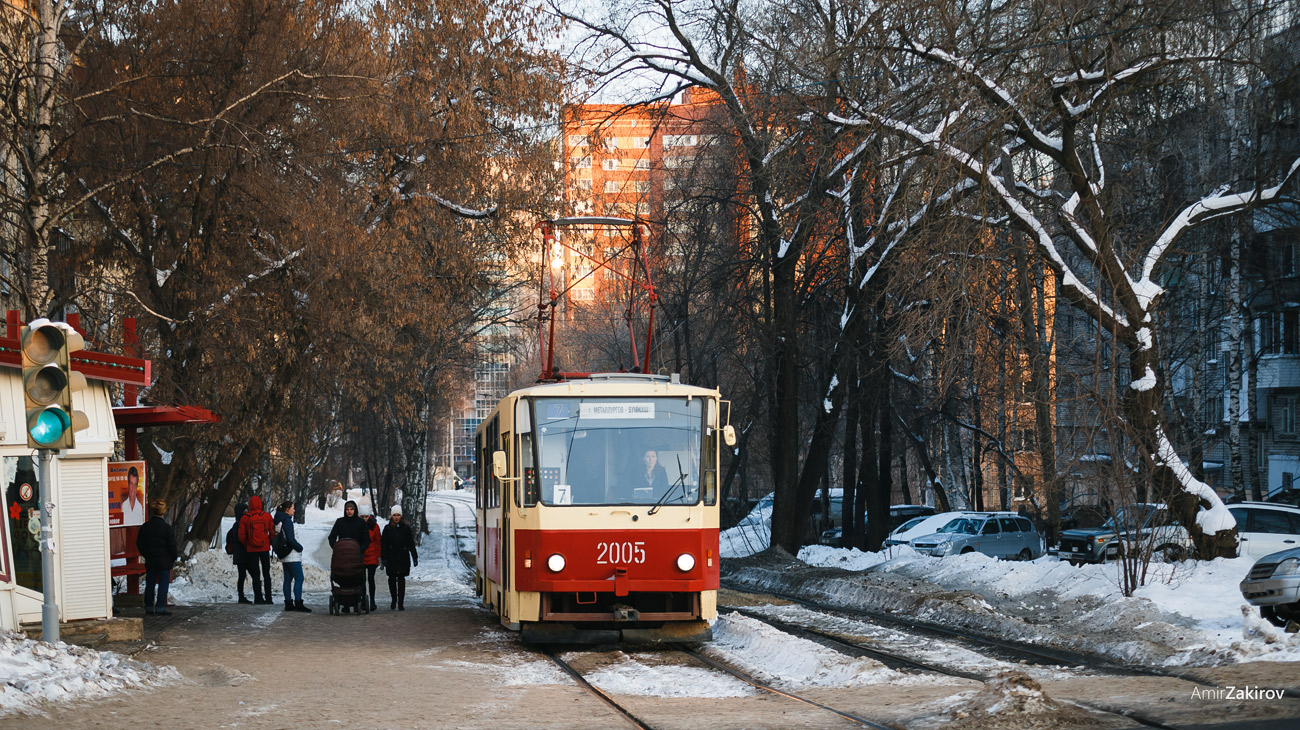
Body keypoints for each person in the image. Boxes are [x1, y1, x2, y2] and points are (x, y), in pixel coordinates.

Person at [135, 500, 178, 616]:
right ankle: (160, 607)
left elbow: (139, 544)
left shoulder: (145, 527)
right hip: (165, 561)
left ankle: (149, 607)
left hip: (151, 560)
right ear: (164, 512)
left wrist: (146, 555)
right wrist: (173, 558)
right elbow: (172, 546)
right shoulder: (167, 528)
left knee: (150, 584)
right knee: (163, 585)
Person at [328, 499, 370, 612]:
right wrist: (336, 548)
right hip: (343, 556)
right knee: (343, 576)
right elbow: (332, 537)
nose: (349, 511)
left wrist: (361, 549)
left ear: (355, 510)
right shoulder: (340, 522)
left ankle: (359, 601)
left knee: (359, 577)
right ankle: (345, 603)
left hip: (357, 555)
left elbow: (367, 539)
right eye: (347, 509)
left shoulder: (360, 523)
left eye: (351, 509)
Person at [274, 501, 311, 612]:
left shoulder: (279, 519)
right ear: (287, 509)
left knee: (287, 580)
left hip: (284, 554)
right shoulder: (287, 521)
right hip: (292, 554)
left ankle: (288, 603)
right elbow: (290, 538)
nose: (294, 510)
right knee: (299, 578)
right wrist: (299, 547)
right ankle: (298, 603)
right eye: (292, 508)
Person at [238, 495, 276, 604]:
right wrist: (268, 541)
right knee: (266, 574)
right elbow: (273, 532)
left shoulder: (245, 518)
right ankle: (268, 598)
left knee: (256, 575)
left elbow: (241, 536)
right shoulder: (267, 516)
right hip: (264, 549)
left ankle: (258, 598)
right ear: (260, 504)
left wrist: (249, 544)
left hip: (252, 550)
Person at [380, 504, 418, 610]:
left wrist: (414, 556)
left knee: (401, 579)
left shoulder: (406, 528)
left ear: (401, 516)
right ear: (391, 516)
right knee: (392, 579)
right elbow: (383, 544)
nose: (396, 517)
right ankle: (394, 599)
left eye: (398, 515)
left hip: (403, 557)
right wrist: (384, 558)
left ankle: (401, 602)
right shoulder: (387, 528)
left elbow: (411, 543)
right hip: (391, 557)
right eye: (394, 515)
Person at [226, 502, 252, 604]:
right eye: (245, 512)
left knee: (244, 575)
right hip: (242, 554)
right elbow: (239, 539)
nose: (247, 514)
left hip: (242, 554)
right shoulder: (238, 525)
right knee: (244, 575)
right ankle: (241, 597)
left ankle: (242, 597)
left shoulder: (239, 524)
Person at [360, 504, 382, 612]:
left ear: (369, 516)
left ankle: (372, 601)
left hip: (372, 555)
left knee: (371, 579)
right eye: (362, 517)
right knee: (362, 580)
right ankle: (364, 600)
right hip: (361, 556)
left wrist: (379, 556)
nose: (364, 519)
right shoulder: (357, 526)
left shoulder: (374, 526)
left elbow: (378, 541)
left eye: (366, 516)